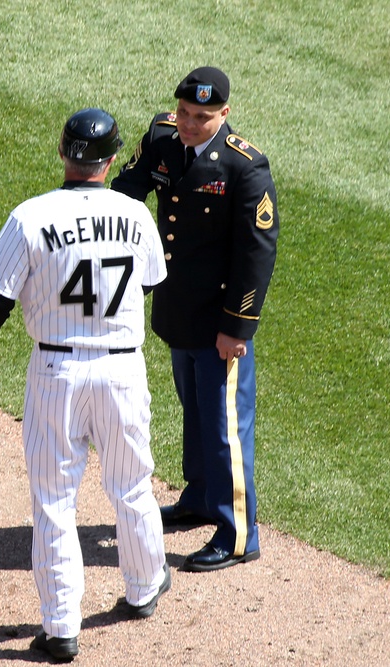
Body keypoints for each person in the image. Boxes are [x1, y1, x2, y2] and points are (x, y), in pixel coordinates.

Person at [0, 108, 171, 662]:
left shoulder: (31, 217)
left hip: (56, 372)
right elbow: (148, 284)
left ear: (63, 154)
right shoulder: (135, 214)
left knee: (54, 501)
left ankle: (61, 629)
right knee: (132, 484)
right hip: (122, 369)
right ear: (110, 161)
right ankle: (144, 587)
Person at [111, 67, 280, 573]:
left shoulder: (244, 167)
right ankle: (202, 497)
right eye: (183, 112)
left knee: (227, 424)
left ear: (224, 115)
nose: (187, 123)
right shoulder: (162, 138)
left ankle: (238, 534)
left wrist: (238, 327)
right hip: (177, 310)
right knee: (195, 409)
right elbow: (126, 191)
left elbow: (257, 253)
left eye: (202, 117)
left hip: (219, 322)